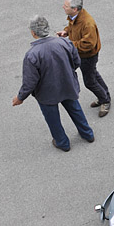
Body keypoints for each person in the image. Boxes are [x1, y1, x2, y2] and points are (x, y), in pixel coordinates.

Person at [12, 16, 94, 152]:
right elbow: (76, 62)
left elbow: (30, 82)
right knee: (75, 109)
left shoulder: (32, 55)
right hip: (67, 85)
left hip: (47, 93)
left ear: (33, 33)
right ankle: (87, 134)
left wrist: (20, 98)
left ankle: (63, 142)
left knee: (53, 118)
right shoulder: (64, 43)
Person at [56, 0, 111, 117]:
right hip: (81, 54)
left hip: (88, 56)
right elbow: (73, 27)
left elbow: (88, 44)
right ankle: (105, 95)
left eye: (65, 6)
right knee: (93, 74)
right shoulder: (74, 16)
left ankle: (105, 100)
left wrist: (69, 44)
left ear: (75, 9)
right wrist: (66, 31)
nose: (63, 7)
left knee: (89, 82)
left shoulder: (87, 23)